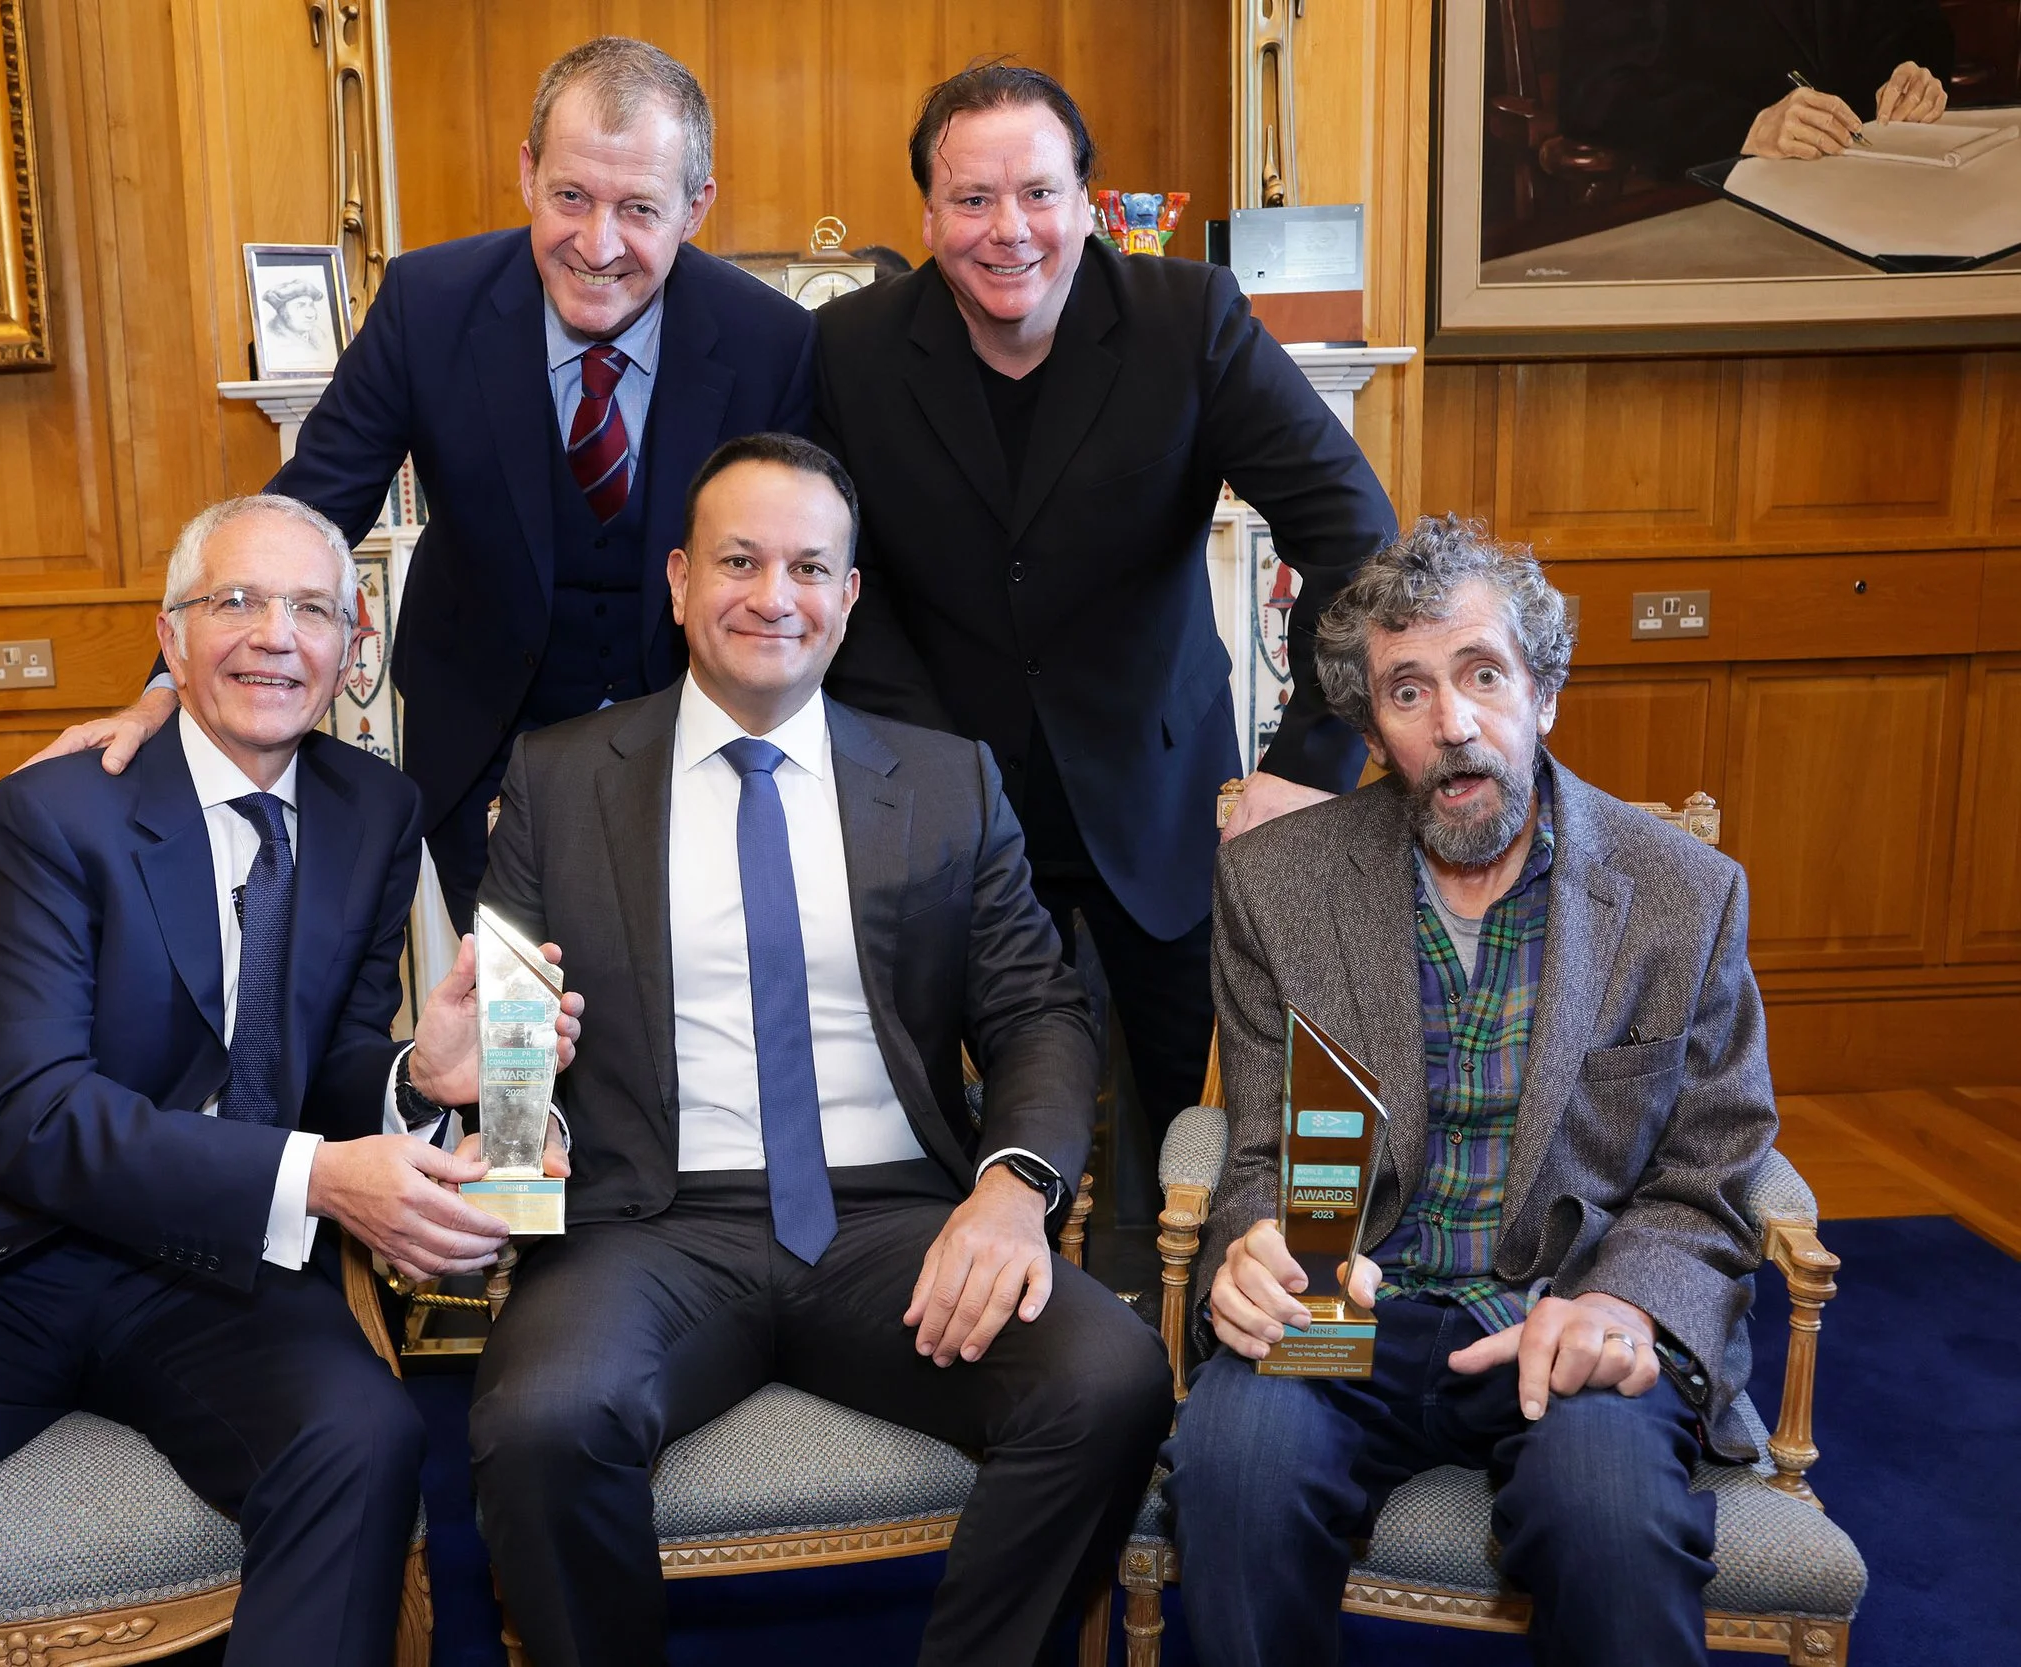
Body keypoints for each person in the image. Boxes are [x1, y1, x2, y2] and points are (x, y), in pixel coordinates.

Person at [0, 494, 582, 1667]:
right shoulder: (53, 813)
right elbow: (30, 1115)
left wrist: (412, 1076)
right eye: (233, 600)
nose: (273, 634)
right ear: (169, 638)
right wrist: (324, 1176)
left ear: (353, 649)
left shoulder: (372, 810)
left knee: (364, 1439)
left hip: (213, 1272)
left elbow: (318, 1064)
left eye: (310, 608)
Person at [461, 433, 1173, 1667]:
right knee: (542, 1418)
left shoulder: (948, 782)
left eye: (807, 566)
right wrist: (500, 1151)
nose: (771, 595)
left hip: (896, 1222)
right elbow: (514, 1036)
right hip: (650, 1226)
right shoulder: (560, 776)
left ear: (848, 596)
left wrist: (1010, 1192)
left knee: (1108, 1375)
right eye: (738, 560)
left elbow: (1039, 1013)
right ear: (679, 582)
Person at [1163, 517, 1779, 1667]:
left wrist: (1629, 1307)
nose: (1452, 723)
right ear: (1373, 726)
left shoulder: (1680, 895)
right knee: (1232, 1470)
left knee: (1610, 1518)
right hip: (1348, 1302)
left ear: (1541, 690)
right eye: (1408, 690)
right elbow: (1267, 1150)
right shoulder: (1275, 882)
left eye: (1481, 674)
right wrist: (1252, 1244)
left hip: (1567, 1307)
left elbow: (1712, 1168)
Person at [32, 36, 816, 923]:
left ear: (697, 205)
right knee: (524, 1037)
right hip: (487, 746)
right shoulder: (428, 305)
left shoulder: (769, 343)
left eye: (638, 207)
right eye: (570, 197)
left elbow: (799, 568)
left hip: (698, 744)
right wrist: (164, 689)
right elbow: (304, 508)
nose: (598, 244)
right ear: (527, 174)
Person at [811, 62, 1399, 1166]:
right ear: (928, 214)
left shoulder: (1191, 323)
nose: (1009, 231)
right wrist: (925, 757)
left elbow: (1354, 533)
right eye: (973, 200)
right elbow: (843, 577)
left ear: (1087, 201)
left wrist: (1311, 762)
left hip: (1161, 798)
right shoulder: (849, 354)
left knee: (1189, 1120)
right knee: (941, 1120)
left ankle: (1170, 1319)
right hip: (947, 800)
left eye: (1038, 193)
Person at [1560, 0, 1954, 179]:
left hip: (1867, 185)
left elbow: (1916, 22)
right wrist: (1748, 128)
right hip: (1708, 198)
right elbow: (1596, 88)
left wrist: (1913, 72)